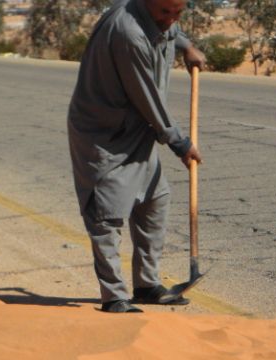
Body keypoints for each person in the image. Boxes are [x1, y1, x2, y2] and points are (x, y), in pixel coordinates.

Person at [67, 0, 205, 313]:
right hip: (105, 133)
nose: (171, 20)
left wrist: (185, 46)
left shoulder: (156, 19)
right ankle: (114, 296)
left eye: (178, 13)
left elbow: (170, 29)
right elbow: (148, 97)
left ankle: (146, 285)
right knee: (107, 213)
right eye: (165, 13)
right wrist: (180, 144)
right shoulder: (128, 33)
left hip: (137, 128)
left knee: (155, 201)